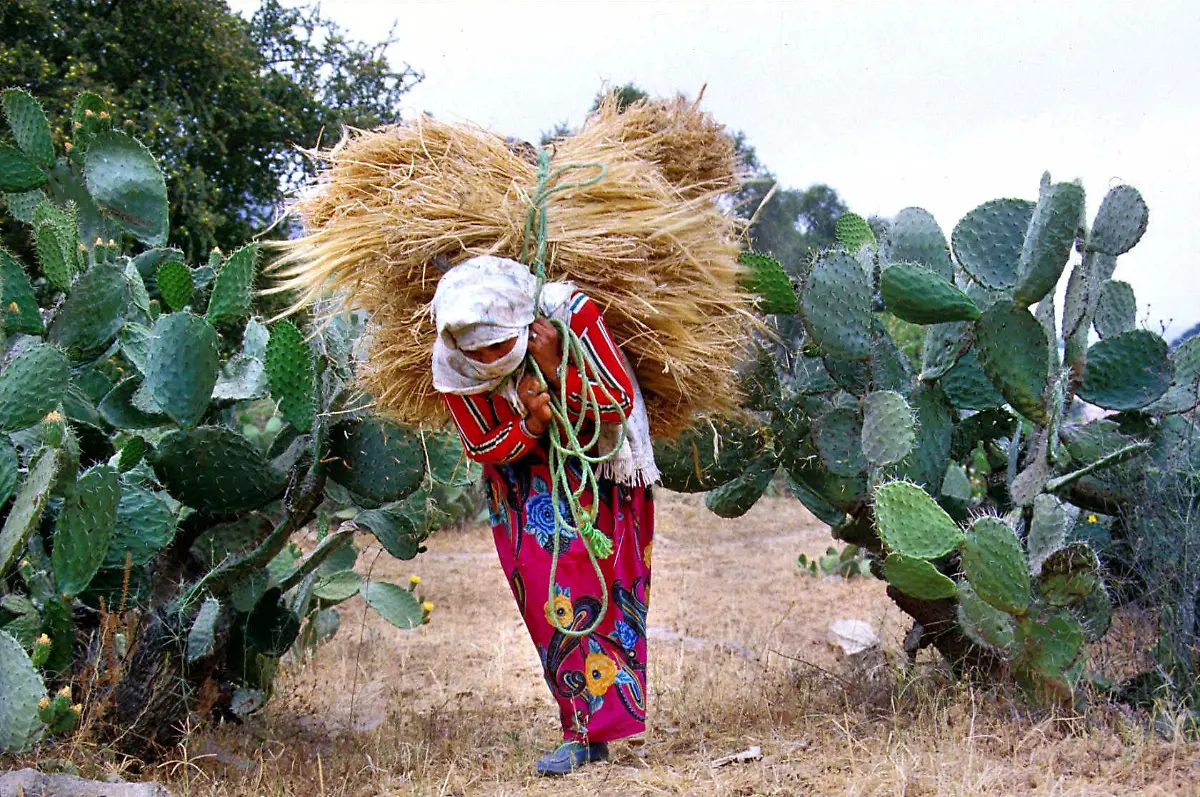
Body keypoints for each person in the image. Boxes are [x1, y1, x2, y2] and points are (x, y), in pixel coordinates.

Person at [431, 255, 657, 777]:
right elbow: (481, 441)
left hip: (600, 474)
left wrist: (557, 369)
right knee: (549, 606)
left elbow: (617, 402)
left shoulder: (569, 315)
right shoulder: (452, 357)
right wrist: (531, 421)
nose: (489, 357)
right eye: (478, 350)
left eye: (498, 344)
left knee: (607, 595)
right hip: (522, 491)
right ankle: (581, 728)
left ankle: (597, 727)